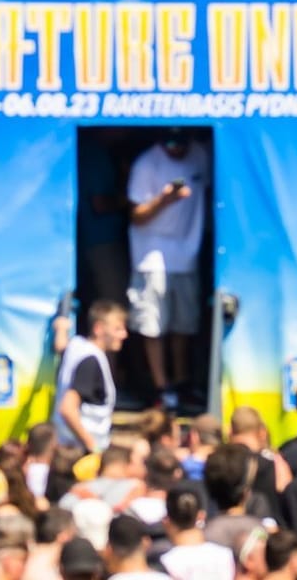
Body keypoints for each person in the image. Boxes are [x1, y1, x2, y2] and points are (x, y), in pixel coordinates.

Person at [128, 132, 211, 411]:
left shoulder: (200, 155)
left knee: (183, 325)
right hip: (151, 256)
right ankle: (160, 388)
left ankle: (182, 383)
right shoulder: (146, 164)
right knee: (153, 326)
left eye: (182, 143)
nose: (177, 149)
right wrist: (164, 200)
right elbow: (136, 215)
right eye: (171, 144)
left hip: (187, 254)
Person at [57, 301, 129, 453]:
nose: (124, 334)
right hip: (81, 450)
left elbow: (61, 346)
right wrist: (92, 446)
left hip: (66, 444)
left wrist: (61, 328)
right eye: (117, 329)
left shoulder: (77, 344)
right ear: (98, 329)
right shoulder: (91, 361)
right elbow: (67, 409)